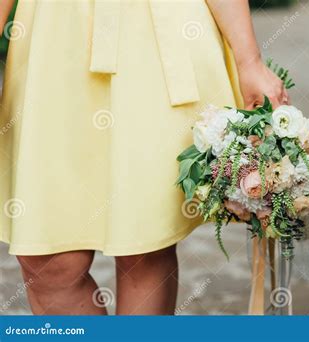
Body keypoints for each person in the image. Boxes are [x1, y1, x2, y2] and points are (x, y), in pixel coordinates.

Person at [0, 0, 288, 315]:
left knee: (144, 247)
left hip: (153, 41)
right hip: (54, 42)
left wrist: (250, 61)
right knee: (48, 263)